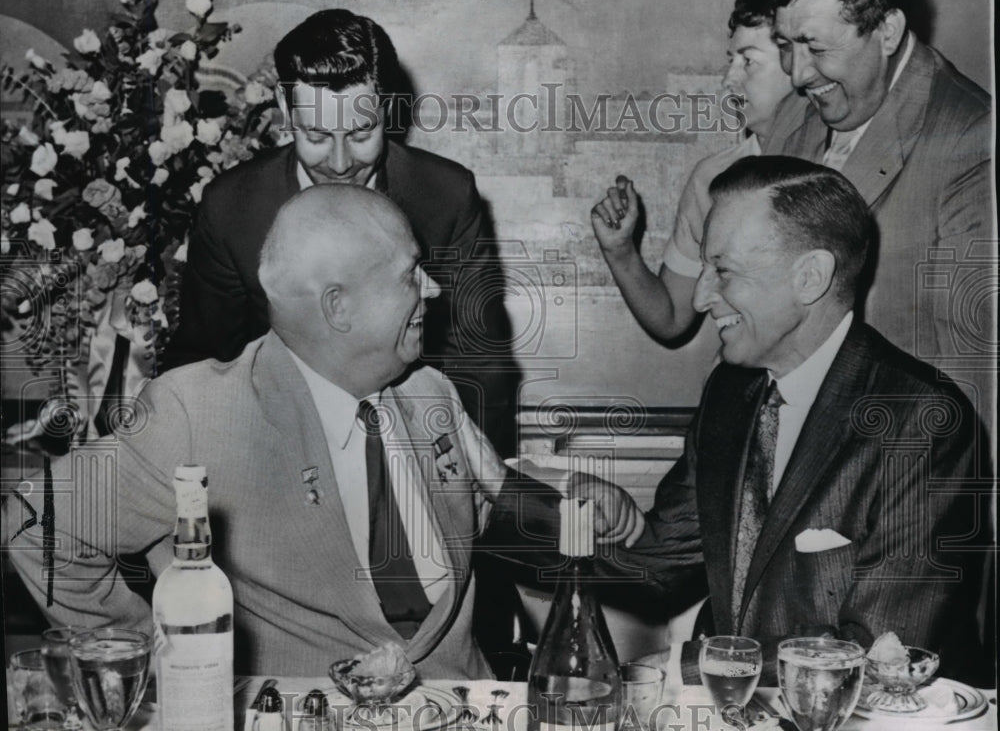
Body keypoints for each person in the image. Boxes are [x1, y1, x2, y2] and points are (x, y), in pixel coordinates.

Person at [3, 186, 643, 678]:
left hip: (462, 727)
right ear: (339, 307)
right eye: (410, 273)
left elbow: (475, 501)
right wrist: (165, 658)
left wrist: (572, 502)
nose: (434, 288)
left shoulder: (430, 391)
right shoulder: (200, 410)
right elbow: (38, 526)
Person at [508, 156, 991, 686]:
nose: (699, 296)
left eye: (724, 271)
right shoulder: (731, 392)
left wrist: (684, 667)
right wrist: (494, 508)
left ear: (810, 277)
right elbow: (658, 565)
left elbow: (882, 650)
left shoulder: (922, 421)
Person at [165, 8, 519, 457]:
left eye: (361, 132)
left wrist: (495, 494)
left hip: (411, 445)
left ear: (387, 105)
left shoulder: (446, 196)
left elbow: (479, 361)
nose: (338, 162)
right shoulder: (232, 208)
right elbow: (202, 363)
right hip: (278, 447)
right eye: (315, 134)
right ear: (284, 105)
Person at [765, 0, 994, 422]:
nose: (798, 75)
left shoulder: (973, 138)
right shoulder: (791, 117)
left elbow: (979, 369)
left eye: (815, 47)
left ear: (887, 31)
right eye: (786, 45)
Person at [590, 0, 798, 342]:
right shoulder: (713, 177)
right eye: (729, 61)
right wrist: (621, 251)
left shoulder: (845, 159)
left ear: (799, 63)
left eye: (748, 61)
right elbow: (671, 318)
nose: (727, 80)